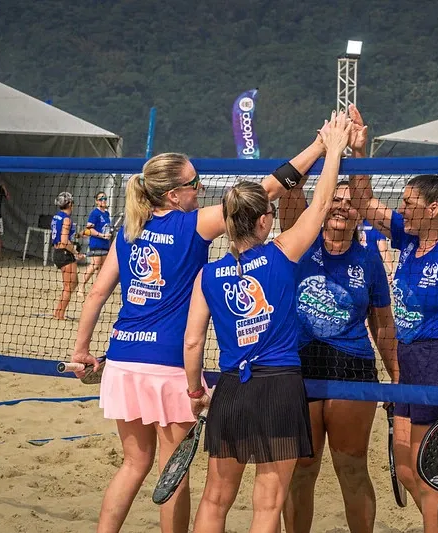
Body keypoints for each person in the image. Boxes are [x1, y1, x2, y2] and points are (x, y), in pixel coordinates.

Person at [70, 129, 328, 533]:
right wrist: (319, 147)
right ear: (174, 194)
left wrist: (81, 350)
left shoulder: (130, 229)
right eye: (194, 182)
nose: (201, 187)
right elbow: (265, 192)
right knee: (173, 473)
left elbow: (97, 293)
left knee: (133, 464)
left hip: (121, 359)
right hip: (167, 362)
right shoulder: (193, 225)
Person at [183, 111, 352, 533]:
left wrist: (195, 392)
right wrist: (333, 150)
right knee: (267, 505)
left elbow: (192, 342)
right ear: (264, 221)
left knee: (215, 499)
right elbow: (321, 204)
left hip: (231, 387)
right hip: (278, 385)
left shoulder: (207, 274)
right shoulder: (281, 252)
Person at [348, 104, 438, 533]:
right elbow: (362, 202)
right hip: (409, 360)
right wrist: (358, 152)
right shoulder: (408, 239)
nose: (402, 208)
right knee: (408, 470)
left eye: (409, 203)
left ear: (432, 209)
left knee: (430, 475)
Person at [278, 174, 397, 533]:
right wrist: (322, 154)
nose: (343, 207)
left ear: (361, 212)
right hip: (301, 363)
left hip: (352, 366)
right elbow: (291, 193)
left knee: (352, 468)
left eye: (351, 202)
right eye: (335, 199)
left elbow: (383, 324)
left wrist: (398, 379)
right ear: (324, 202)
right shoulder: (300, 242)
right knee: (302, 468)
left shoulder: (369, 260)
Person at [51, 192, 84, 320]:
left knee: (73, 283)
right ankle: (59, 314)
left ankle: (58, 312)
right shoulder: (66, 219)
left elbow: (63, 236)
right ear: (70, 204)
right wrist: (76, 253)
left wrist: (79, 235)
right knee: (68, 286)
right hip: (64, 254)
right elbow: (64, 241)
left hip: (58, 253)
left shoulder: (56, 217)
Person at [78, 191, 112, 298]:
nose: (103, 201)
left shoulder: (106, 214)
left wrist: (108, 235)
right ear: (96, 201)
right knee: (94, 265)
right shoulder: (95, 213)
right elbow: (89, 230)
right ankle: (81, 287)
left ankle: (97, 289)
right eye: (101, 199)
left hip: (105, 244)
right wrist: (102, 235)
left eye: (105, 198)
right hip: (96, 243)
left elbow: (106, 228)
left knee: (102, 268)